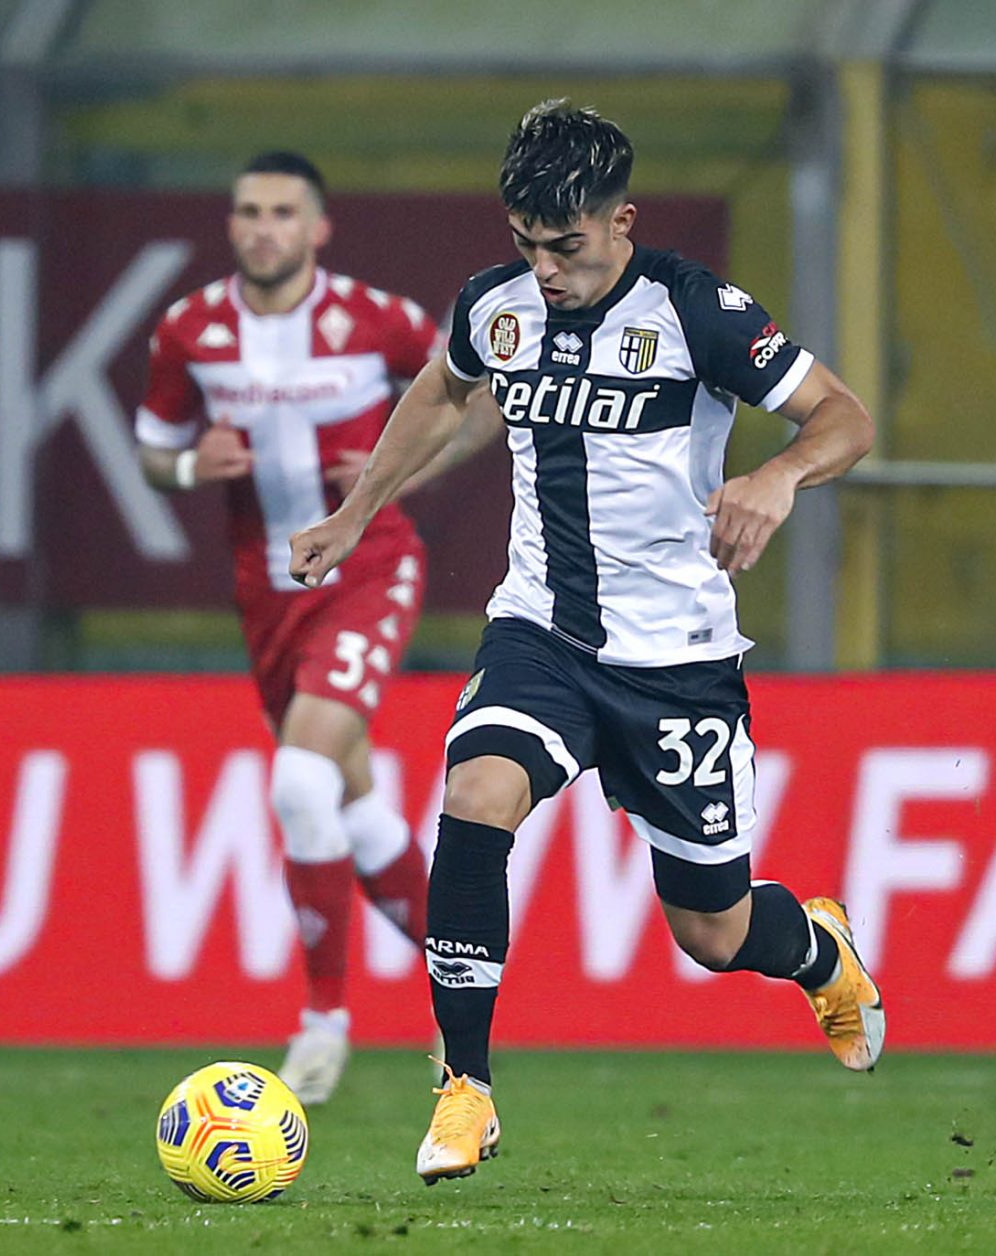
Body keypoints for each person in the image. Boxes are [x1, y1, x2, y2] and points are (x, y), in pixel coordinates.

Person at [287, 100, 883, 1185]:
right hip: (544, 632)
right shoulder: (496, 304)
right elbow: (442, 389)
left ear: (621, 222)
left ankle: (815, 950)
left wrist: (777, 475)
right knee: (476, 795)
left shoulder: (697, 310)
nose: (545, 269)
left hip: (678, 662)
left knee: (712, 933)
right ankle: (465, 1086)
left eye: (565, 245)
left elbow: (843, 415)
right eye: (527, 243)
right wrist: (357, 511)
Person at [135, 151, 496, 1104]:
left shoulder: (376, 320)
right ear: (232, 224)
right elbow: (152, 450)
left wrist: (393, 483)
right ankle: (463, 984)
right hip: (266, 593)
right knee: (352, 804)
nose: (264, 229)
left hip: (367, 572)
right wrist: (190, 467)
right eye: (249, 211)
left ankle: (322, 1024)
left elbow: (483, 399)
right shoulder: (190, 329)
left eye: (282, 213)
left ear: (318, 228)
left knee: (299, 781)